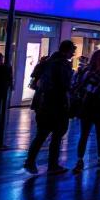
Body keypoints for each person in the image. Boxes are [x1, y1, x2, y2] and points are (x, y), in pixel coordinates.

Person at [24, 40, 76, 175]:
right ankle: (52, 164)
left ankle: (30, 161)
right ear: (66, 50)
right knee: (57, 135)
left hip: (43, 103)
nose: (73, 53)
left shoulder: (48, 62)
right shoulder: (62, 64)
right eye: (72, 51)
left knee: (41, 134)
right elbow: (64, 84)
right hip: (56, 103)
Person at [71, 49, 100, 171]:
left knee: (84, 134)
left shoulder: (85, 71)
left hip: (86, 106)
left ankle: (80, 158)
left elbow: (77, 86)